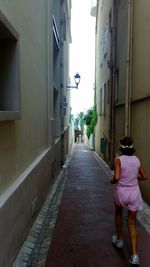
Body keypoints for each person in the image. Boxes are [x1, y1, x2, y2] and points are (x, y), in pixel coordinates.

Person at [110, 136, 148, 265]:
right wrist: (134, 177)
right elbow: (144, 176)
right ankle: (135, 256)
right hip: (134, 193)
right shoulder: (136, 160)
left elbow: (117, 177)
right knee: (132, 222)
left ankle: (119, 240)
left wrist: (111, 180)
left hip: (122, 192)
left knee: (118, 214)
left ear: (121, 148)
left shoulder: (118, 160)